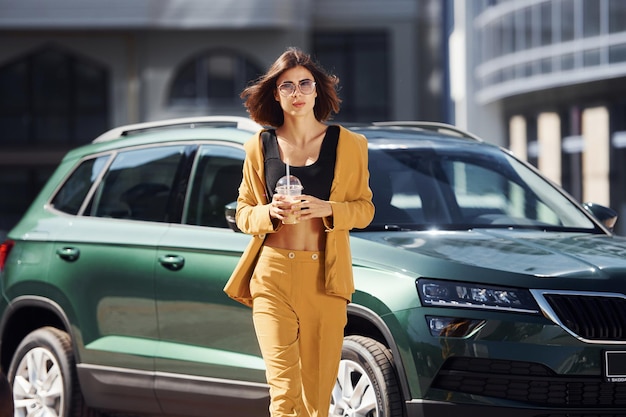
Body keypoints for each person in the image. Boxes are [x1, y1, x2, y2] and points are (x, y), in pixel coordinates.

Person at [224, 47, 374, 417]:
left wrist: (329, 210)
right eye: (286, 86)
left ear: (317, 91)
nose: (297, 93)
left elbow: (365, 209)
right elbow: (243, 212)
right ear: (275, 93)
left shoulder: (350, 145)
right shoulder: (259, 146)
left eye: (304, 84)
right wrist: (269, 213)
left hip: (324, 278)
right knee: (284, 394)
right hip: (271, 274)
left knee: (316, 399)